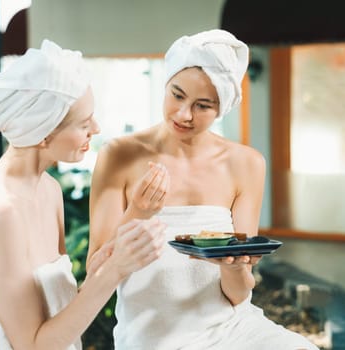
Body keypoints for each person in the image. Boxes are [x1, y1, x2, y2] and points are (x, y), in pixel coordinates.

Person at [87, 29, 319, 350]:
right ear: (165, 85)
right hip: (152, 336)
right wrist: (137, 213)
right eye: (177, 95)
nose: (184, 114)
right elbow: (95, 272)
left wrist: (234, 266)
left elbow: (238, 293)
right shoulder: (119, 155)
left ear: (221, 107)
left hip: (231, 329)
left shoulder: (246, 164)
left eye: (203, 105)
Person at [0, 39, 166, 350]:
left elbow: (62, 310)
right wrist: (115, 270)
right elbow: (34, 345)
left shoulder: (48, 190)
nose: (97, 128)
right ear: (43, 130)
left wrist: (134, 218)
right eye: (83, 122)